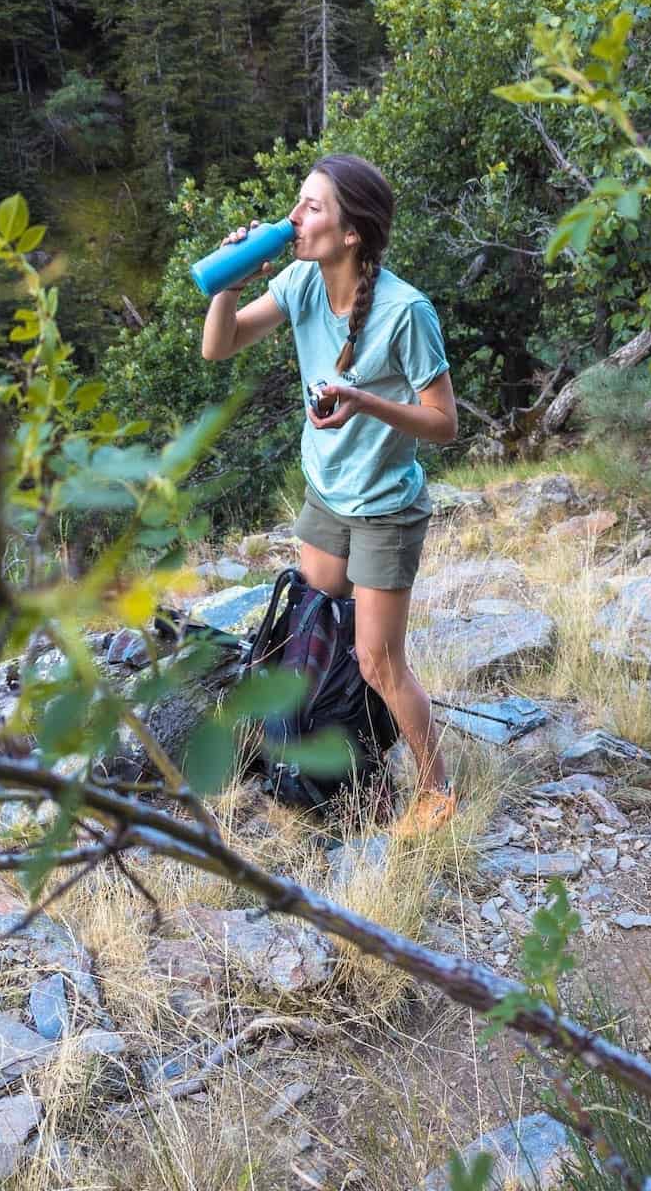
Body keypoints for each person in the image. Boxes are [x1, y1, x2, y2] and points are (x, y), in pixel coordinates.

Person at [201, 153, 458, 836]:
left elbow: (443, 424)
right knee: (312, 625)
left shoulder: (406, 312)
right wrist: (228, 281)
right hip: (328, 498)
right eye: (298, 202)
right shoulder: (298, 283)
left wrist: (365, 402)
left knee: (377, 658)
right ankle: (338, 759)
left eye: (311, 207)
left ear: (351, 233)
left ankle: (436, 791)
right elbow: (217, 347)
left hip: (385, 511)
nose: (293, 218)